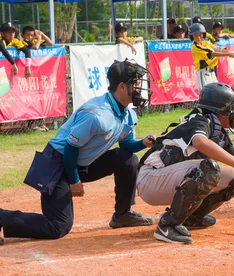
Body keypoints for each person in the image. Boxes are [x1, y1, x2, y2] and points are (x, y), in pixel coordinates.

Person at [0, 60, 155, 244]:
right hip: (58, 163)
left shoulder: (128, 114)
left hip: (82, 161)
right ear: (122, 86)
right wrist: (74, 180)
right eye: (135, 82)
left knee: (127, 159)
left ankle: (123, 214)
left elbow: (126, 145)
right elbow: (70, 147)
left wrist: (143, 143)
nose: (139, 87)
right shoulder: (96, 113)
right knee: (58, 226)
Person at [136, 83, 234, 244]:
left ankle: (190, 217)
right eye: (232, 108)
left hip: (167, 179)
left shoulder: (217, 133)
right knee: (208, 169)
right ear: (222, 110)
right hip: (150, 178)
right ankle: (168, 225)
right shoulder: (200, 121)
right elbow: (199, 142)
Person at [190, 23, 234, 96]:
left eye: (200, 35)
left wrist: (229, 51)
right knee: (205, 96)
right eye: (195, 36)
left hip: (212, 72)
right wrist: (228, 54)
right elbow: (213, 53)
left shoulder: (205, 43)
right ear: (192, 37)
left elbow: (217, 48)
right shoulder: (195, 47)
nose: (199, 37)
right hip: (203, 73)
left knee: (215, 95)